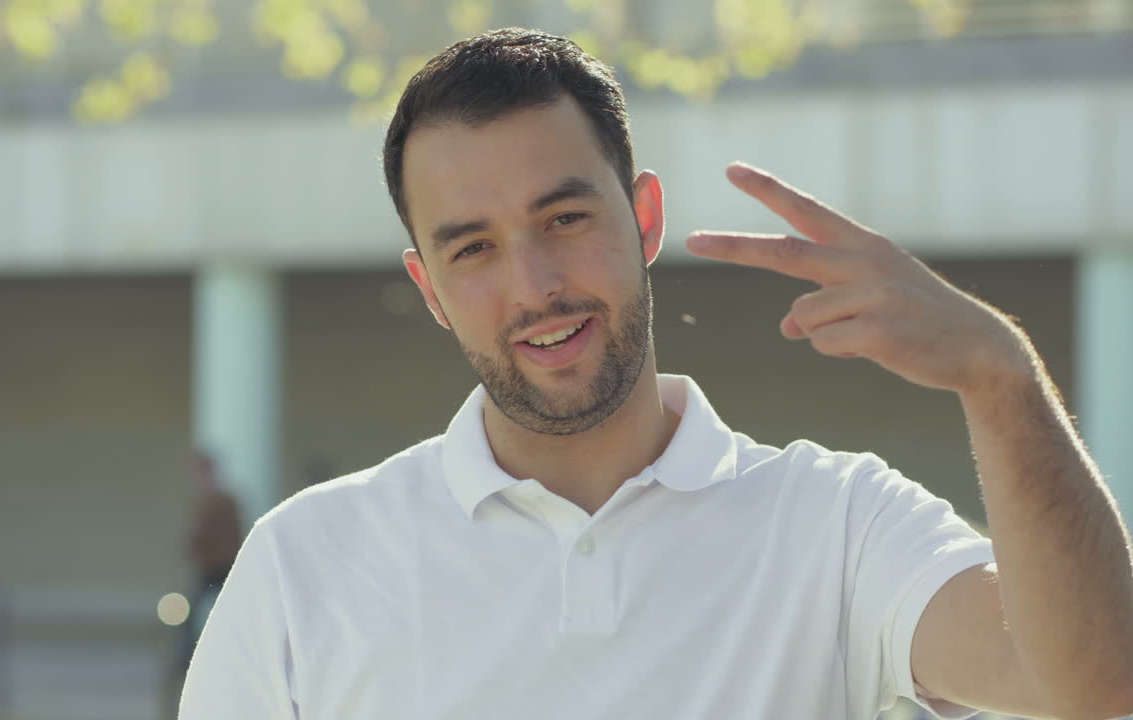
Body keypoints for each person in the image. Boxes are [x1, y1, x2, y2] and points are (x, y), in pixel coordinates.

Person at [179, 28, 1133, 720]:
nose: (536, 287)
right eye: (473, 250)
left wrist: (1002, 383)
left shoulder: (837, 523)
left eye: (565, 220)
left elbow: (1094, 690)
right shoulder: (304, 566)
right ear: (429, 288)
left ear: (644, 219)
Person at [183, 450, 241, 666]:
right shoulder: (221, 500)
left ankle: (187, 658)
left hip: (218, 566)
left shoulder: (216, 501)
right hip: (220, 565)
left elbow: (200, 536)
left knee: (194, 614)